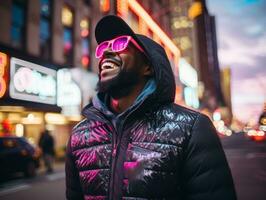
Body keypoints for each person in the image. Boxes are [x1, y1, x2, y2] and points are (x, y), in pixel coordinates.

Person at [65, 15, 237, 200]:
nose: (106, 52)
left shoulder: (192, 129)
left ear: (148, 66)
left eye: (120, 43)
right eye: (103, 48)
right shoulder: (79, 136)